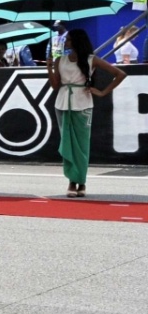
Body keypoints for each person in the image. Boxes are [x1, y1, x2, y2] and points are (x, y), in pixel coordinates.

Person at [49, 28, 124, 198]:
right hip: (62, 103)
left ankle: (81, 182)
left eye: (68, 39)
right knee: (67, 142)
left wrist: (103, 92)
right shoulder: (60, 60)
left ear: (76, 41)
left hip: (82, 104)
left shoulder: (91, 60)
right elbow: (55, 86)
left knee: (82, 145)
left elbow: (119, 74)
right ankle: (71, 181)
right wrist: (49, 68)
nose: (65, 42)